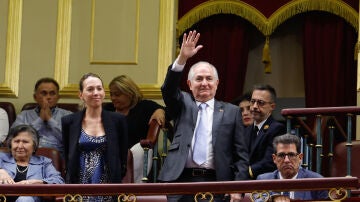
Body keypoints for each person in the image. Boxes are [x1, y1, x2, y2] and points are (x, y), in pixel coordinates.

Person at [158, 30, 249, 201]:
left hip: (217, 182)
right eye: (199, 79)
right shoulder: (182, 103)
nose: (204, 83)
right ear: (190, 84)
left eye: (209, 78)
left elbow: (240, 156)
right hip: (180, 181)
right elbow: (168, 90)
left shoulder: (232, 111)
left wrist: (239, 187)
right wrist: (182, 59)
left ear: (217, 83)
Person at [61, 73, 128, 201]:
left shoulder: (118, 120)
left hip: (109, 185)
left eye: (99, 88)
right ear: (81, 95)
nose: (96, 93)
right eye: (90, 89)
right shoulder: (69, 121)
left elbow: (122, 156)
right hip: (79, 186)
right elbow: (68, 154)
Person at [103, 75, 166, 183]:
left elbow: (170, 112)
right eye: (111, 94)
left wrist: (160, 111)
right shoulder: (107, 109)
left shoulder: (144, 107)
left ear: (129, 93)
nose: (113, 98)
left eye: (117, 94)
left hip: (140, 159)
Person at [0, 124, 64, 202]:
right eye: (16, 141)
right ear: (10, 144)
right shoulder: (1, 157)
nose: (20, 146)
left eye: (25, 142)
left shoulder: (44, 162)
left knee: (25, 199)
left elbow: (58, 181)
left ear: (34, 146)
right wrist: (1, 171)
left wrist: (37, 182)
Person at [10, 78, 72, 155]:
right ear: (35, 97)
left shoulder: (68, 115)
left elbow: (71, 140)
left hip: (57, 158)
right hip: (27, 155)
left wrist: (50, 120)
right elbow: (14, 139)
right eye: (44, 93)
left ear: (58, 97)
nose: (48, 97)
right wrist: (40, 120)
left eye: (52, 93)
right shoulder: (24, 115)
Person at [257, 133, 328, 201]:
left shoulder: (317, 182)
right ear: (274, 158)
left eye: (291, 155)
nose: (286, 160)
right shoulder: (263, 181)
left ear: (300, 157)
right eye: (281, 155)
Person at [246, 84, 286, 179]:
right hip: (243, 183)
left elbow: (269, 161)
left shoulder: (277, 129)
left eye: (260, 103)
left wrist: (246, 171)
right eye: (252, 102)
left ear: (272, 106)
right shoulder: (246, 129)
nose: (255, 106)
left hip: (264, 185)